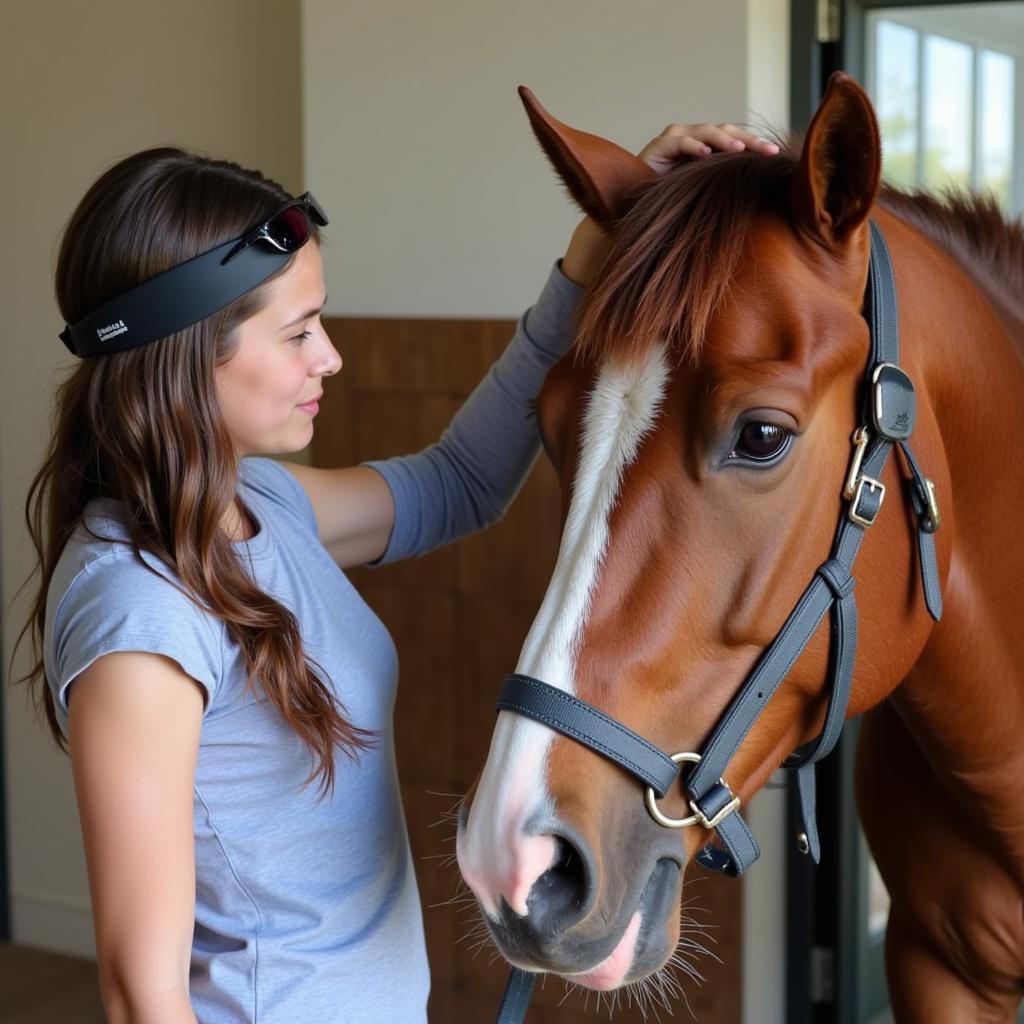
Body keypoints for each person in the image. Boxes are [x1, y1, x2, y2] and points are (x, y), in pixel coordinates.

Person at [17, 121, 777, 1023]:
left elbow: (456, 483)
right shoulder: (139, 611)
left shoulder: (260, 506)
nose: (329, 356)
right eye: (298, 332)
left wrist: (584, 262)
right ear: (186, 357)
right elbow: (141, 995)